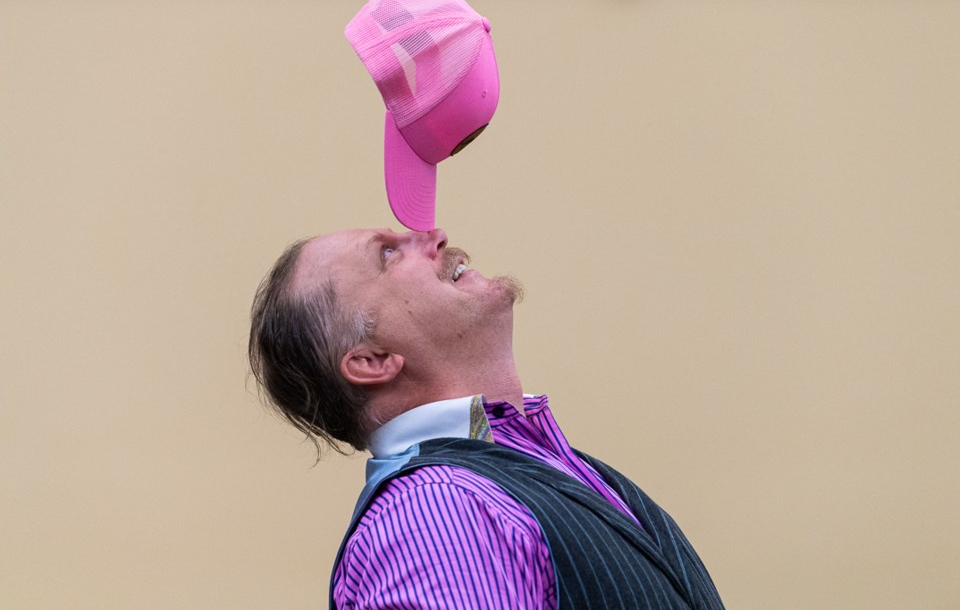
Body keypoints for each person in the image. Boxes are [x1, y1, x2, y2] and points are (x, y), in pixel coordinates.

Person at [249, 227, 726, 609]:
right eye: (388, 256)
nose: (433, 235)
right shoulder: (433, 515)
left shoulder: (521, 475)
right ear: (373, 359)